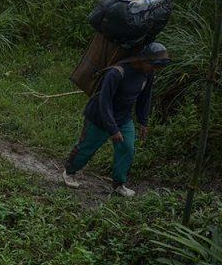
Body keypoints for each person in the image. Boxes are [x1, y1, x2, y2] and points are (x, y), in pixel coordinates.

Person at [62, 42, 171, 197]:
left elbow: (145, 98)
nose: (155, 70)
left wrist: (143, 121)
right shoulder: (116, 72)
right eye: (153, 65)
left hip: (124, 118)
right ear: (142, 60)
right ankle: (69, 172)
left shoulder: (148, 74)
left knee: (127, 148)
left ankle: (118, 184)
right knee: (87, 148)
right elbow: (104, 102)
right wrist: (112, 129)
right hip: (100, 116)